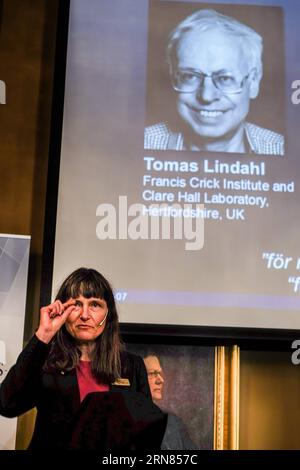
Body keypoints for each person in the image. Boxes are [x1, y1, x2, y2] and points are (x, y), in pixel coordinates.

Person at [0, 268, 166, 450]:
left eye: (95, 305)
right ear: (62, 310)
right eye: (76, 305)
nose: (85, 315)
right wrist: (44, 335)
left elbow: (146, 432)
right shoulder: (47, 363)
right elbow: (7, 404)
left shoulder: (131, 366)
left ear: (108, 314)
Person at [144, 8, 284, 155]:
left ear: (254, 81)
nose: (206, 96)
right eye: (190, 76)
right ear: (173, 76)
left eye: (225, 78)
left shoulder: (283, 150)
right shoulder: (138, 145)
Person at [143, 354, 198, 450]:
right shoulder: (122, 422)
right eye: (152, 374)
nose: (161, 380)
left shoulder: (173, 422)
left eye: (160, 373)